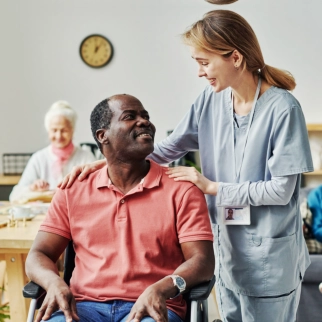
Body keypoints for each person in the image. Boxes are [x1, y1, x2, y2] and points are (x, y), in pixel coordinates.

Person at [59, 10, 313, 322]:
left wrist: (211, 187)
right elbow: (165, 149)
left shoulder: (284, 109)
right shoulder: (210, 102)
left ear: (235, 57)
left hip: (270, 259)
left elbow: (282, 190)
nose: (199, 72)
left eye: (204, 62)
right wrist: (105, 165)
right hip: (228, 253)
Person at [25, 94, 215, 322]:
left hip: (152, 307)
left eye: (145, 116)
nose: (144, 121)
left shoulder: (181, 189)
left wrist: (163, 288)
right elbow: (39, 254)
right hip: (83, 307)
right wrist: (53, 282)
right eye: (130, 117)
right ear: (102, 135)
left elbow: (202, 261)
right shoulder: (72, 189)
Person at [9, 100, 95, 202]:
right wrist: (32, 188)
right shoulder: (39, 158)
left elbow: (95, 192)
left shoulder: (85, 157)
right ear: (48, 130)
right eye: (54, 130)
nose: (58, 136)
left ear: (72, 130)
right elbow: (14, 196)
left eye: (64, 131)